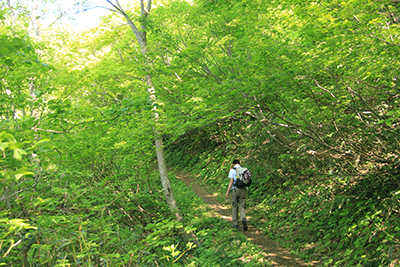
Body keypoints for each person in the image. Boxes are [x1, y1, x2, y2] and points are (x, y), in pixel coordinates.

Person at [226, 159, 248, 231]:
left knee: (235, 206)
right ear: (239, 163)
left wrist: (228, 191)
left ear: (233, 164)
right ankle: (243, 218)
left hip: (235, 190)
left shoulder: (232, 170)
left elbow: (231, 181)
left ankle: (235, 223)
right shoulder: (244, 170)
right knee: (242, 206)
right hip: (244, 189)